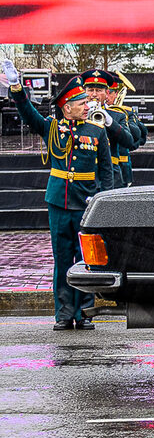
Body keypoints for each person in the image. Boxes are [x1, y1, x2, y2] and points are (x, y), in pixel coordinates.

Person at [4, 65, 112, 331]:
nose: (87, 105)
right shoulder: (52, 128)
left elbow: (106, 172)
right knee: (62, 259)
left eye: (87, 101)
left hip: (86, 205)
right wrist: (17, 90)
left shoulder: (97, 131)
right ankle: (64, 313)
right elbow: (28, 115)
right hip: (59, 203)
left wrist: (104, 204)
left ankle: (84, 311)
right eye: (81, 102)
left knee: (86, 261)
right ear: (67, 107)